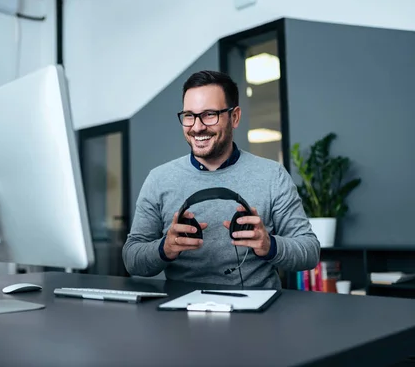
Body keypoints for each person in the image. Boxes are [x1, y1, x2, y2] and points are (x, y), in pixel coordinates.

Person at [122, 70, 320, 288]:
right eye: (189, 115)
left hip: (258, 313)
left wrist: (270, 245)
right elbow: (132, 259)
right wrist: (165, 248)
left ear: (234, 117)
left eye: (209, 114)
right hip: (180, 312)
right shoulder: (158, 179)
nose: (197, 127)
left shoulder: (273, 175)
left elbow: (309, 251)